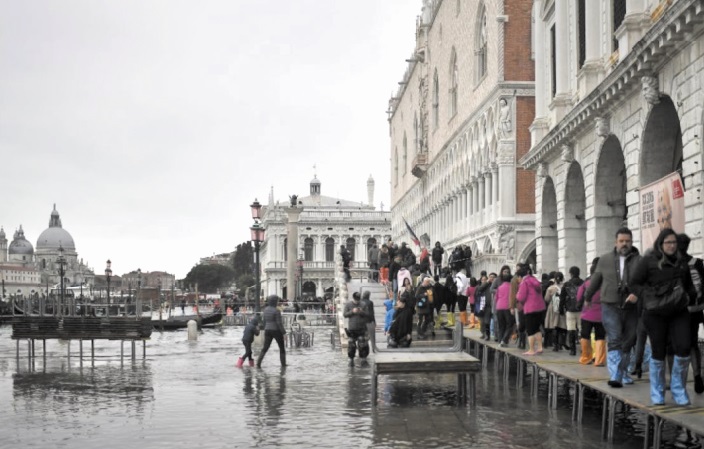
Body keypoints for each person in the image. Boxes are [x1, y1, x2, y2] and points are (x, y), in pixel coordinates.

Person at [630, 229, 696, 405]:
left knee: (683, 348)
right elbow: (634, 283)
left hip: (678, 310)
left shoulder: (681, 261)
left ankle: (678, 389)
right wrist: (647, 295)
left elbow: (688, 284)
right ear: (660, 243)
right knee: (658, 351)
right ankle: (657, 391)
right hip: (655, 312)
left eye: (674, 242)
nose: (672, 246)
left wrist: (689, 295)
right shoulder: (648, 261)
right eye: (668, 242)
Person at [584, 227, 641, 388]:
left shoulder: (640, 260)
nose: (624, 244)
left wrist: (637, 293)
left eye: (627, 241)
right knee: (615, 339)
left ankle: (622, 372)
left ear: (631, 242)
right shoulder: (605, 259)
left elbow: (646, 282)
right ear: (616, 242)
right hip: (610, 304)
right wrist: (588, 297)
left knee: (629, 341)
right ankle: (616, 374)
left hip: (631, 307)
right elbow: (596, 279)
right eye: (621, 241)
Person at [678, 233, 704, 394]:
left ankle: (680, 382)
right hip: (695, 310)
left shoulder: (674, 265)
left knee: (679, 346)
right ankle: (697, 376)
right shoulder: (698, 263)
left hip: (678, 312)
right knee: (693, 344)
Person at [577, 258, 606, 366]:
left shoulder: (586, 283)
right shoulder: (605, 284)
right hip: (602, 314)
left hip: (587, 313)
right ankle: (599, 360)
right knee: (600, 336)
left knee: (585, 335)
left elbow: (579, 296)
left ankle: (585, 358)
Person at [516, 265, 545, 356]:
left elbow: (521, 297)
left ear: (520, 276)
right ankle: (540, 347)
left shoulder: (524, 282)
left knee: (530, 330)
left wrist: (517, 295)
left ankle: (531, 349)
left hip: (530, 308)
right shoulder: (535, 280)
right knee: (536, 328)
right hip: (540, 307)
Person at [256, 295, 287, 368]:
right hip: (276, 331)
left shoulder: (265, 310)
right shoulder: (277, 311)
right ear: (275, 302)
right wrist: (284, 333)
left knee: (265, 348)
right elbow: (279, 323)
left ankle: (258, 363)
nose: (278, 302)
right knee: (282, 348)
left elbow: (264, 322)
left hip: (267, 330)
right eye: (277, 301)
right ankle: (283, 365)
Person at [561, 266, 584, 356]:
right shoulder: (583, 283)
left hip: (570, 310)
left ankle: (572, 350)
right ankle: (584, 349)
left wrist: (561, 309)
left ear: (571, 274)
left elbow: (562, 298)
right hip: (581, 310)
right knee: (582, 329)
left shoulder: (566, 284)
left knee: (571, 329)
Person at [343, 292, 370, 366]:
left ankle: (363, 360)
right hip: (352, 329)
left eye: (358, 300)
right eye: (356, 299)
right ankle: (351, 360)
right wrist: (352, 311)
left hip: (361, 328)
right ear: (353, 298)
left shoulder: (363, 304)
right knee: (351, 345)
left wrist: (361, 312)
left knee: (362, 344)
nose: (357, 301)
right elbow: (345, 314)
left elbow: (367, 315)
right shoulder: (348, 304)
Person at [388, 278, 415, 347]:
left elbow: (409, 324)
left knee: (404, 343)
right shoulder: (397, 311)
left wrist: (409, 333)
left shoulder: (408, 312)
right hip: (396, 332)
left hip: (404, 333)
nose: (398, 304)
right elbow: (393, 322)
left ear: (403, 304)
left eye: (399, 302)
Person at [544, 272, 566, 352]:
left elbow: (546, 299)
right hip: (562, 308)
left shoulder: (550, 288)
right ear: (562, 278)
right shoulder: (565, 287)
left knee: (554, 326)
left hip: (553, 308)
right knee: (562, 326)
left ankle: (555, 345)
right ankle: (561, 344)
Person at [494, 266, 513, 347]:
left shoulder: (499, 287)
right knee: (510, 324)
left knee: (501, 325)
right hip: (507, 307)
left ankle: (500, 340)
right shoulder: (512, 287)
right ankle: (504, 340)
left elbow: (496, 298)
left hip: (499, 307)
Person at [474, 274, 491, 340]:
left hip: (486, 307)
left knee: (486, 321)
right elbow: (476, 295)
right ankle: (483, 333)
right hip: (480, 306)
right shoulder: (479, 287)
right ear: (480, 281)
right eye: (482, 280)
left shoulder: (489, 287)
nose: (484, 281)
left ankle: (487, 334)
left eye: (485, 280)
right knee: (481, 321)